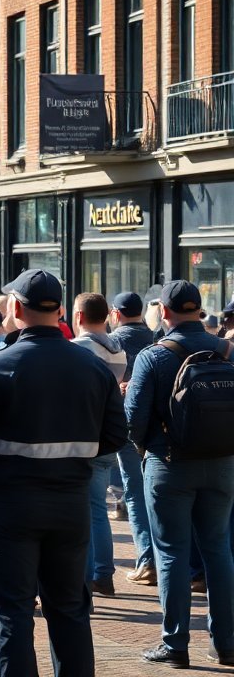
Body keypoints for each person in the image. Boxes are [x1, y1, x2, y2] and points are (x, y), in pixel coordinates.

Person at [0, 269, 127, 677]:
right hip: (70, 504)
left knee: (12, 616)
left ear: (15, 309)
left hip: (8, 504)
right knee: (70, 613)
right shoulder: (93, 367)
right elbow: (116, 433)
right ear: (61, 310)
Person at [124, 279, 234, 668]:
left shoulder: (153, 357)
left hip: (169, 463)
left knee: (171, 552)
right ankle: (226, 643)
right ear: (199, 310)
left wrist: (146, 450)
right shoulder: (227, 349)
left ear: (165, 312)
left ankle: (175, 645)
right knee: (219, 550)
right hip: (222, 463)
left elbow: (133, 419)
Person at [70, 292, 128, 599]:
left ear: (78, 316)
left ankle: (90, 578)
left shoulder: (79, 348)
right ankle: (103, 574)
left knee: (84, 513)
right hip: (108, 434)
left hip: (83, 436)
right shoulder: (118, 349)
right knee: (98, 511)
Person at [109, 291, 157, 586]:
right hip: (159, 427)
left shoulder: (114, 342)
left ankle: (147, 560)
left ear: (116, 313)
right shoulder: (158, 337)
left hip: (126, 426)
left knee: (135, 494)